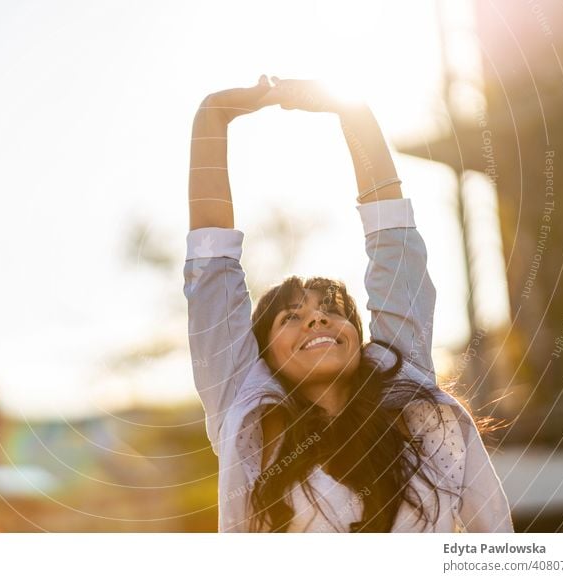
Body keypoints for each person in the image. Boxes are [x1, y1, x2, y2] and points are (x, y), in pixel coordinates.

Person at [183, 74, 514, 533]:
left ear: (357, 338)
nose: (317, 317)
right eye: (291, 317)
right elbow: (211, 268)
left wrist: (353, 113)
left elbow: (396, 251)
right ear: (262, 355)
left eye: (332, 310)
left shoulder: (405, 387)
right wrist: (212, 116)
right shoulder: (245, 415)